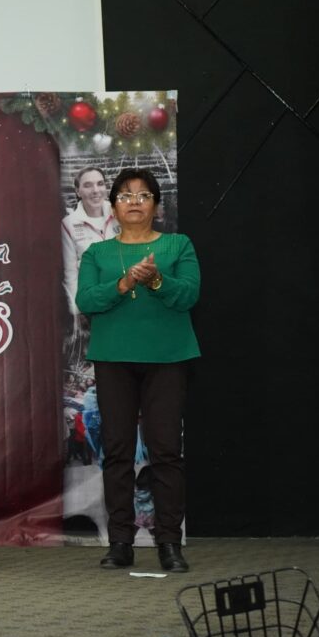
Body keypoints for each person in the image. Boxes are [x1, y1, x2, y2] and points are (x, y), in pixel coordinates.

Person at [75, 167, 200, 572]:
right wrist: (125, 283)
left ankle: (169, 543)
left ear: (156, 206)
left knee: (166, 451)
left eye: (143, 195)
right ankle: (120, 542)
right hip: (114, 360)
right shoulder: (97, 253)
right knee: (117, 451)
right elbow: (86, 300)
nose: (134, 202)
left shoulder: (178, 245)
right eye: (125, 196)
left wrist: (158, 281)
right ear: (113, 207)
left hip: (168, 360)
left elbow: (189, 295)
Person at [62, 166, 118, 326]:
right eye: (88, 185)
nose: (96, 190)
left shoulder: (120, 213)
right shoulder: (69, 224)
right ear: (78, 191)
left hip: (125, 296)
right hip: (94, 304)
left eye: (100, 184)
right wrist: (77, 310)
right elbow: (70, 272)